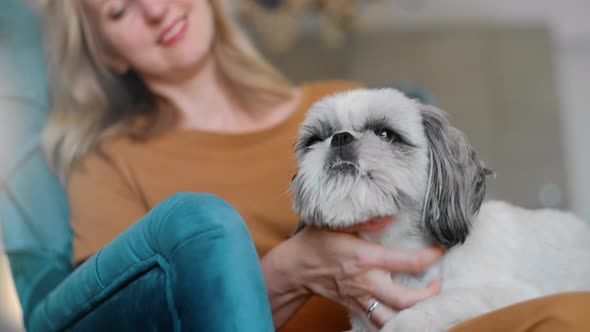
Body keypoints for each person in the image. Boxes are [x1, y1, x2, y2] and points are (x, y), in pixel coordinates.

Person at [39, 1, 590, 331]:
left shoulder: (341, 97)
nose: (155, 9)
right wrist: (289, 270)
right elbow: (113, 323)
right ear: (105, 49)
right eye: (118, 9)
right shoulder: (110, 163)